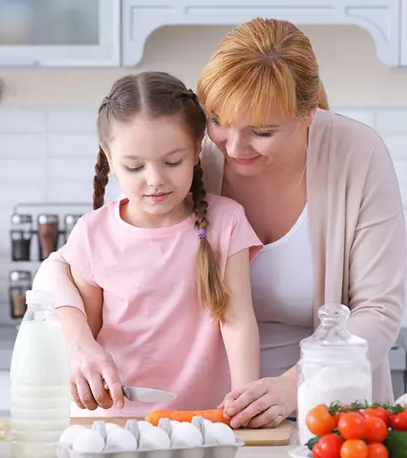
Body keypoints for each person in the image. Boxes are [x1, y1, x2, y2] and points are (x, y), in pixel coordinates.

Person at [35, 18, 406, 428]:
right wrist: (78, 341)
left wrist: (296, 386)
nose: (233, 146)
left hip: (325, 409)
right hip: (212, 411)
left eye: (261, 131)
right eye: (219, 121)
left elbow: (378, 312)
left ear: (308, 114)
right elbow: (61, 267)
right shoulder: (187, 158)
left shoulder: (356, 154)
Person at [48, 71, 263, 418]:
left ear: (196, 151)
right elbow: (84, 332)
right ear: (110, 157)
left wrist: (244, 402)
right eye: (135, 166)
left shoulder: (227, 222)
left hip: (206, 422)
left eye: (172, 162)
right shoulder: (92, 233)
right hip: (116, 423)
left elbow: (237, 320)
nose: (155, 180)